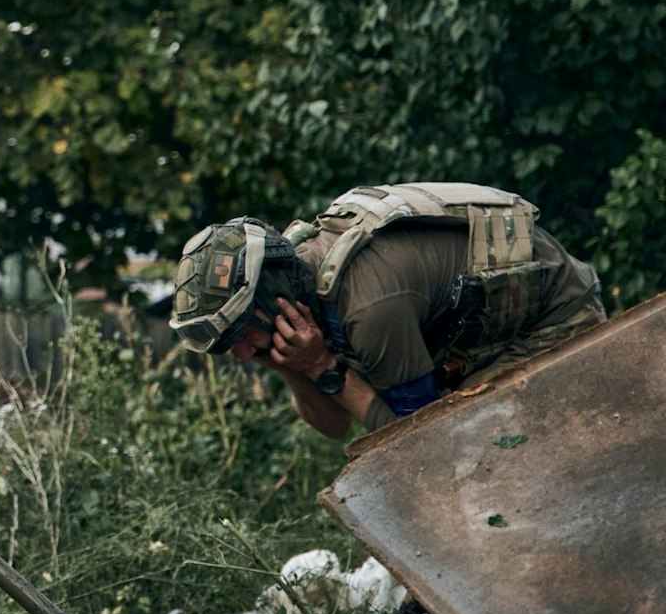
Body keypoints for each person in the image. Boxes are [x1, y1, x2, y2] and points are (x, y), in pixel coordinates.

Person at [169, 182, 605, 439]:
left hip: (555, 318)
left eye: (241, 336)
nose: (243, 354)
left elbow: (419, 443)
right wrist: (290, 365)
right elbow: (335, 426)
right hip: (480, 338)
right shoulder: (306, 278)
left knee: (483, 445)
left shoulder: (368, 310)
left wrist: (323, 367)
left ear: (270, 298)